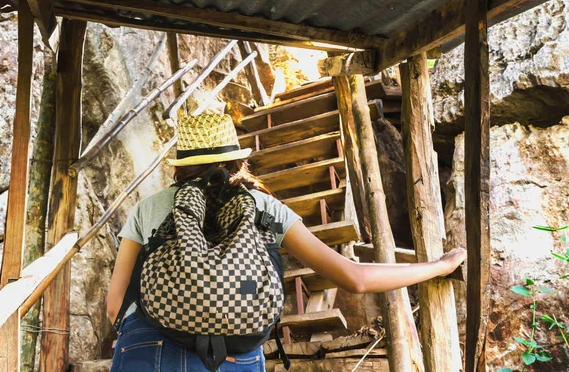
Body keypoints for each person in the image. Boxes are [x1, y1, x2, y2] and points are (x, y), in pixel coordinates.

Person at [107, 113, 467, 372]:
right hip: (236, 352)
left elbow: (114, 307)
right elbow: (354, 278)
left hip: (148, 343)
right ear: (239, 160)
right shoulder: (262, 206)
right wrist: (441, 265)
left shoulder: (149, 207)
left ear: (179, 165)